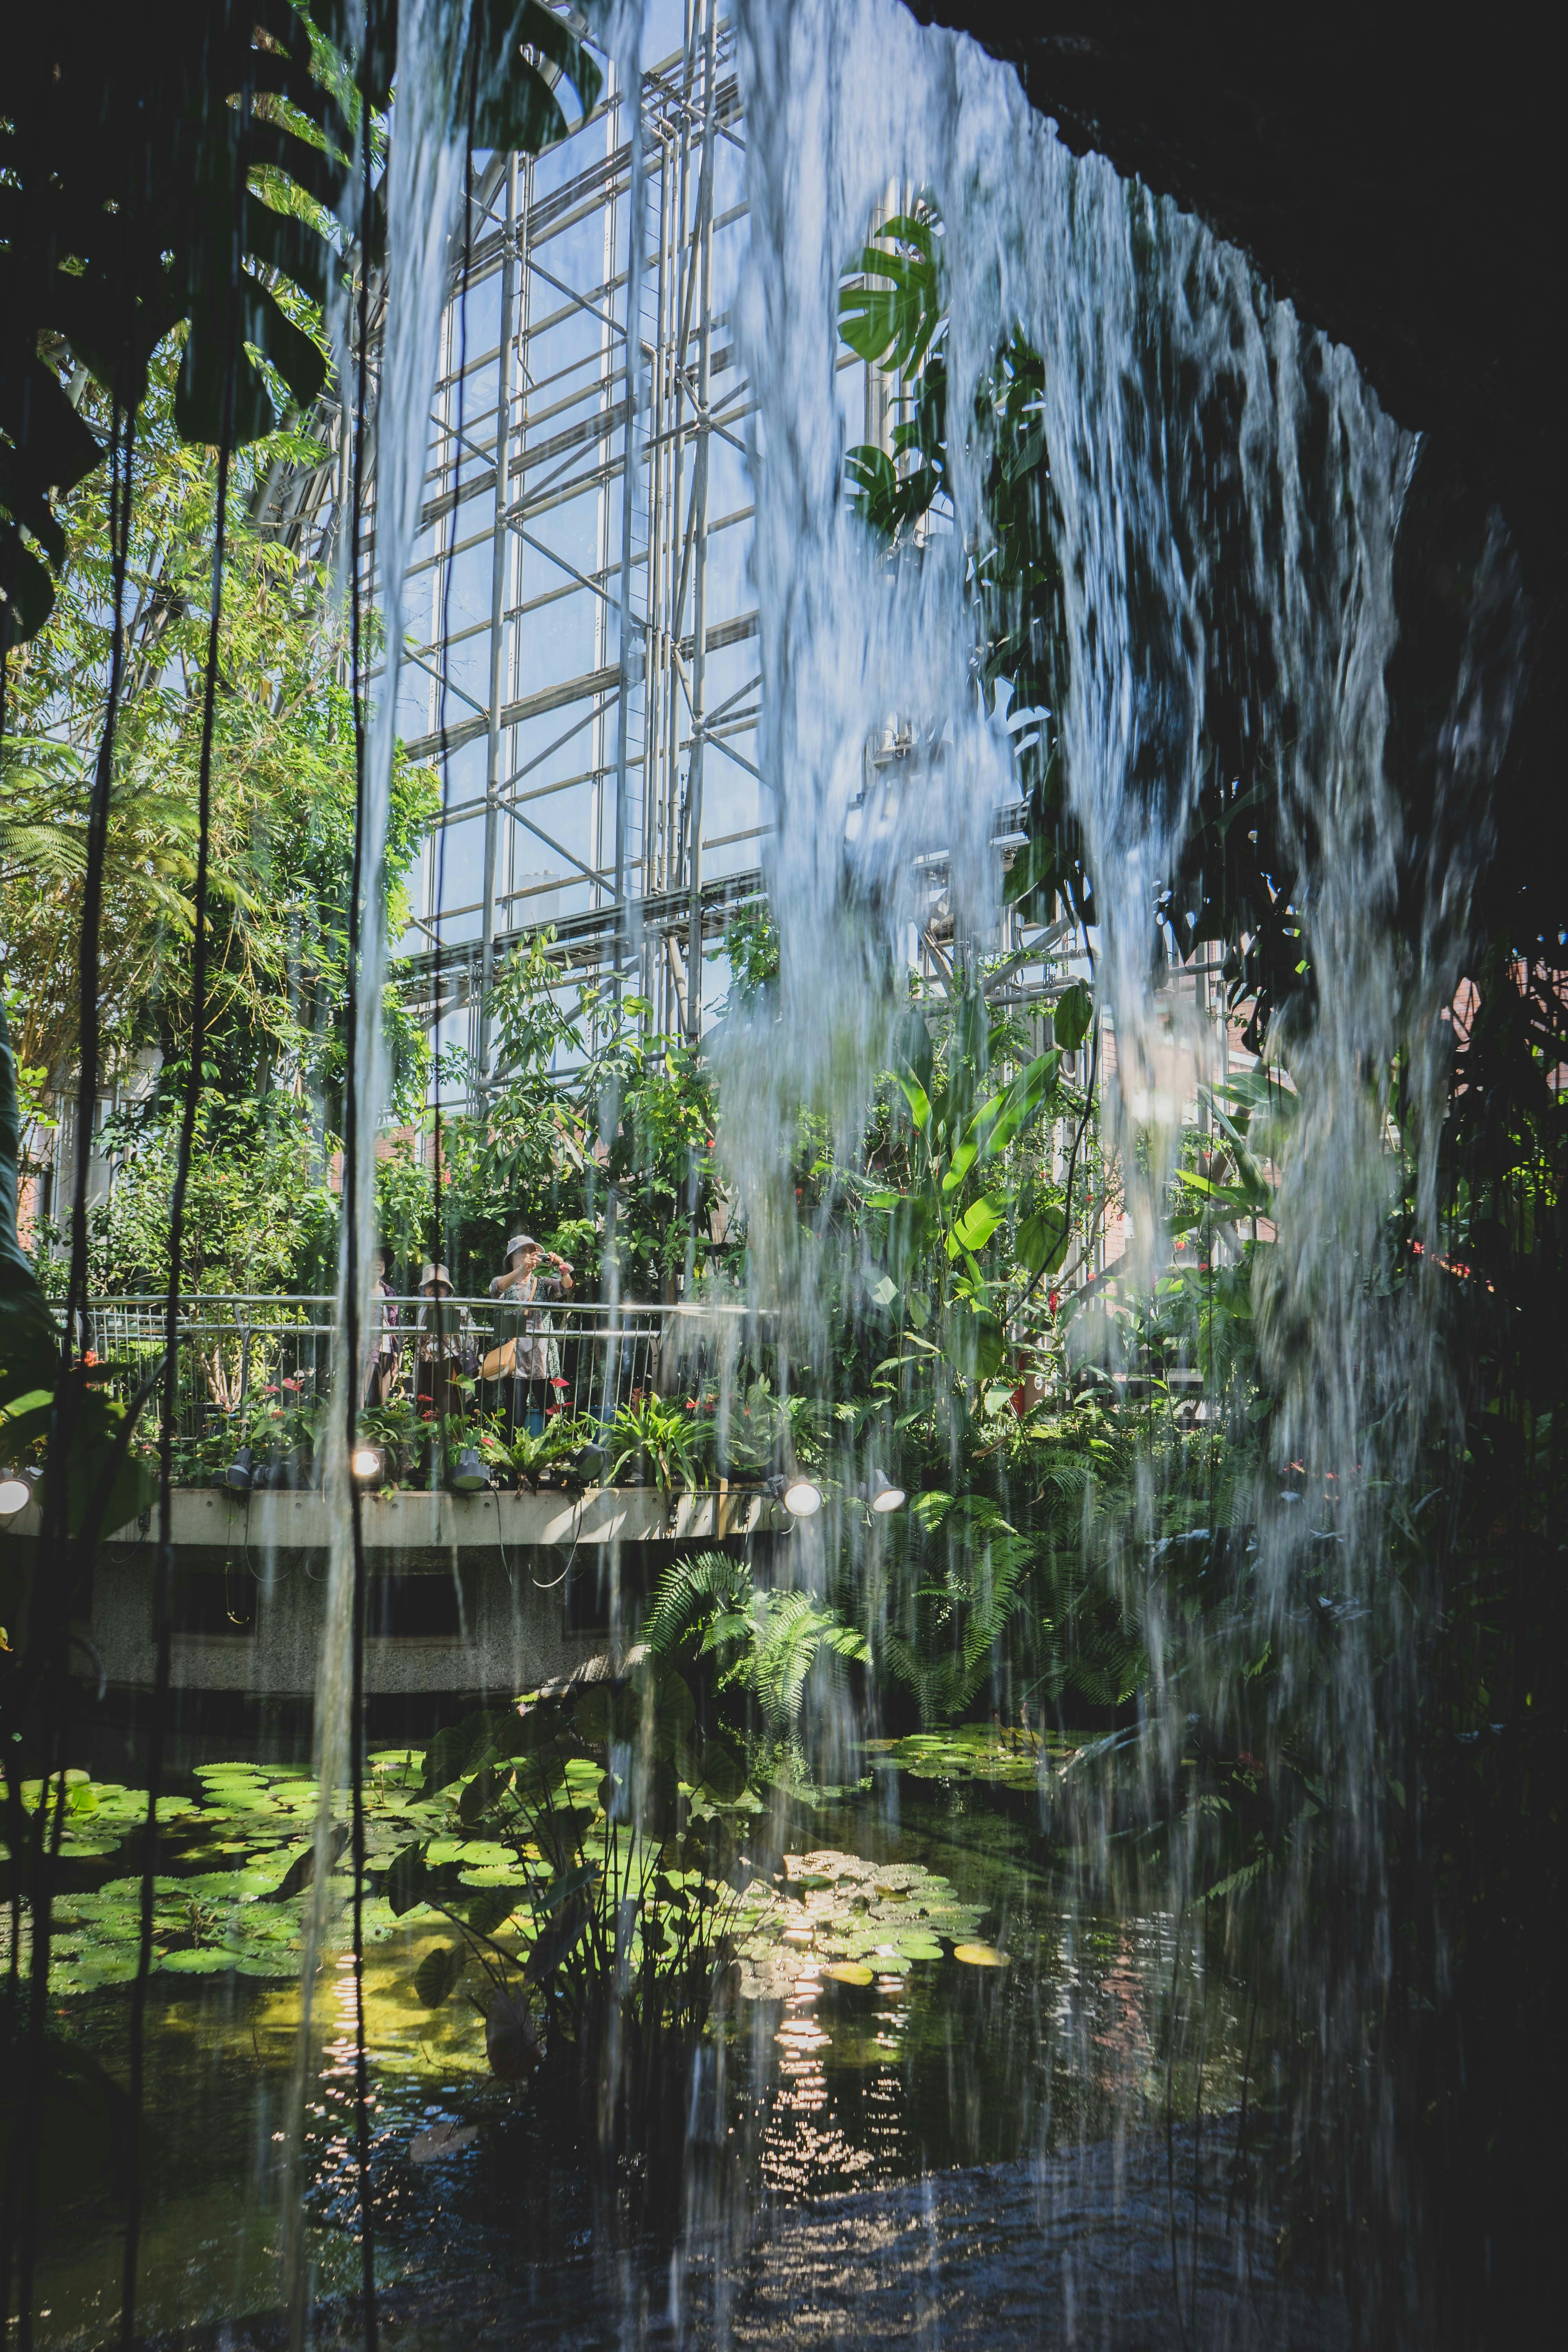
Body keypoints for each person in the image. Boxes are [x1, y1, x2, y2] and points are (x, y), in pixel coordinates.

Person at [488, 1232, 573, 1436]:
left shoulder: (543, 1282)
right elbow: (497, 1289)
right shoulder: (502, 1281)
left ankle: (554, 1454)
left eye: (532, 1252)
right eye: (524, 1252)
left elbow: (566, 1287)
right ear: (512, 1258)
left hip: (542, 1357)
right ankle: (512, 1459)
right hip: (512, 1358)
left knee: (551, 1411)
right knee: (514, 1413)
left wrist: (563, 1269)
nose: (530, 1256)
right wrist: (519, 1271)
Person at [414, 1263, 474, 1421]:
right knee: (424, 1410)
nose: (435, 1289)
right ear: (425, 1289)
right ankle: (426, 1445)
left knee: (451, 1411)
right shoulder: (423, 1309)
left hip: (451, 1365)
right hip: (425, 1365)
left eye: (440, 1285)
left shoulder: (459, 1308)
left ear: (448, 1289)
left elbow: (472, 1338)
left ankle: (453, 1445)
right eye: (430, 1285)